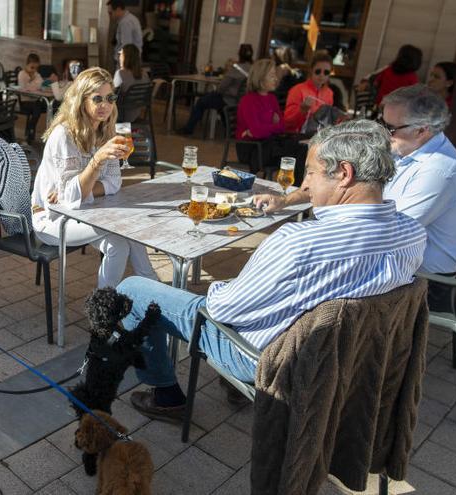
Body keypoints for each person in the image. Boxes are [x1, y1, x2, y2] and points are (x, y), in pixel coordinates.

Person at [115, 120, 426, 420]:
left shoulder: (298, 242)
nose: (305, 184)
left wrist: (221, 286)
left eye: (312, 173)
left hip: (267, 359)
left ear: (344, 174)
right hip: (346, 359)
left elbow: (223, 309)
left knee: (133, 289)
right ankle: (229, 388)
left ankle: (166, 397)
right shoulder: (413, 235)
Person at [258, 85, 456, 314]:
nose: (383, 135)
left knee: (307, 288)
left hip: (423, 279)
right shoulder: (405, 146)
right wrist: (285, 201)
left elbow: (384, 233)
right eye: (382, 123)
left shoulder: (438, 170)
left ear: (422, 130)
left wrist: (309, 243)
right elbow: (331, 182)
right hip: (391, 255)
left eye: (390, 128)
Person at [32, 67, 158, 288]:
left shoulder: (105, 132)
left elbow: (113, 183)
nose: (105, 105)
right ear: (82, 101)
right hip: (52, 219)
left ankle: (150, 295)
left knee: (122, 240)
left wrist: (82, 189)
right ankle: (109, 309)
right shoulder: (64, 135)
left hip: (86, 212)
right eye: (97, 98)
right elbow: (70, 197)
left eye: (110, 98)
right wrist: (96, 162)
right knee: (123, 230)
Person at [177, 44, 253, 136]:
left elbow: (221, 88)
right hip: (241, 101)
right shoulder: (253, 68)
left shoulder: (237, 69)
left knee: (201, 102)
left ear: (239, 53)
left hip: (228, 100)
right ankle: (229, 130)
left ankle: (188, 129)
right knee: (216, 103)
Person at [235, 59, 288, 174]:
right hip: (251, 149)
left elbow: (282, 127)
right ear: (260, 78)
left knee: (296, 147)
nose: (276, 79)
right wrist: (272, 126)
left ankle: (296, 187)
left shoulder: (272, 99)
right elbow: (257, 132)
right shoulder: (248, 100)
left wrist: (263, 128)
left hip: (267, 145)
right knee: (291, 150)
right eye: (272, 76)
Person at [283, 49, 334, 133]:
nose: (322, 75)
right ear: (311, 70)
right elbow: (287, 122)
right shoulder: (297, 90)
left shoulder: (329, 93)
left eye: (326, 72)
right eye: (318, 71)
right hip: (298, 136)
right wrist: (301, 110)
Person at [18, 52, 54, 143]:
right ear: (27, 65)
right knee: (37, 107)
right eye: (32, 67)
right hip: (25, 101)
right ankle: (31, 129)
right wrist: (33, 81)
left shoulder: (37, 74)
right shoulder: (22, 74)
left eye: (36, 68)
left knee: (50, 107)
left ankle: (35, 129)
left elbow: (41, 85)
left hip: (35, 99)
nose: (34, 70)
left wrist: (46, 82)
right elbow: (25, 89)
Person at [113, 44, 149, 122]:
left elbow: (112, 95)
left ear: (125, 57)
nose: (119, 57)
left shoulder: (120, 73)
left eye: (120, 54)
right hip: (136, 113)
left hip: (122, 115)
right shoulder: (144, 74)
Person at [107, 0, 142, 66]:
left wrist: (123, 64)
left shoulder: (126, 23)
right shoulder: (129, 19)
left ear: (118, 9)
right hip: (129, 60)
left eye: (110, 13)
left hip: (127, 62)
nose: (110, 16)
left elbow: (126, 45)